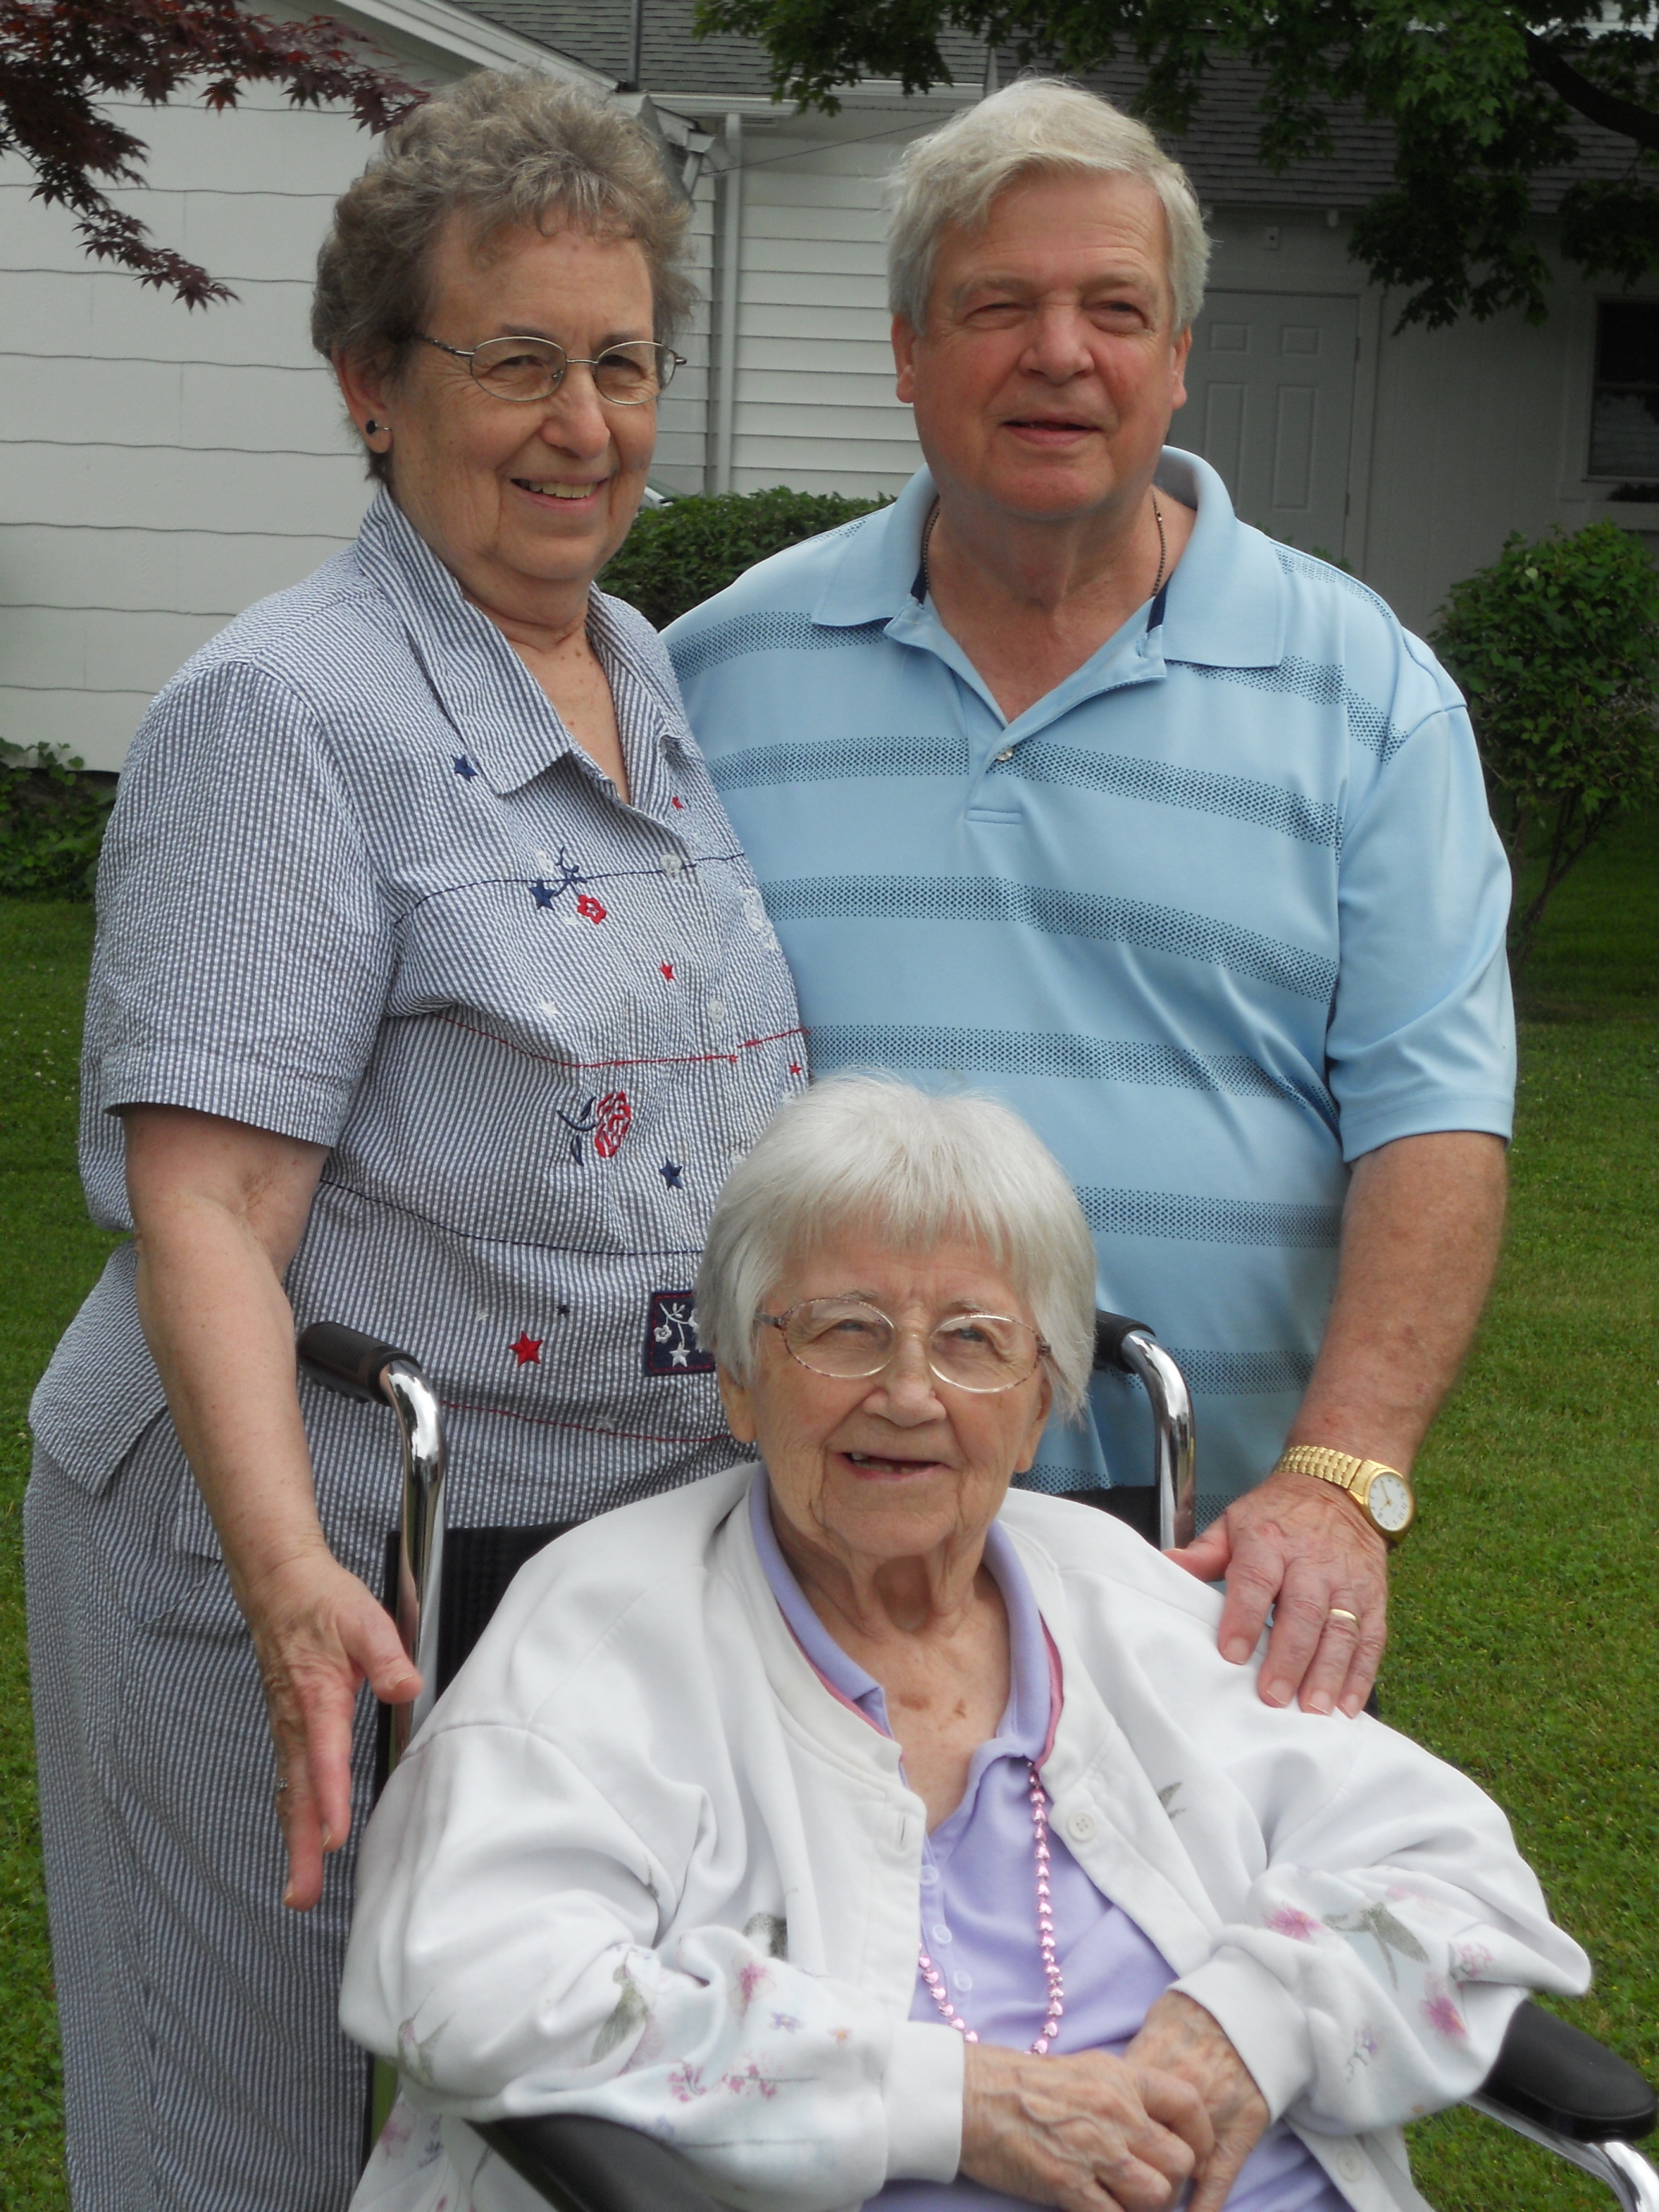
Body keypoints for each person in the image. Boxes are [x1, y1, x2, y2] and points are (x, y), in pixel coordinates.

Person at [25, 71, 804, 2212]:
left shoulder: (635, 662)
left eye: (625, 363)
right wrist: (293, 1587)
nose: (584, 422)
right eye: (518, 361)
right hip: (275, 1558)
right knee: (237, 2144)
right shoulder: (290, 712)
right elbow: (208, 1203)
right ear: (374, 388)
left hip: (586, 1575)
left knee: (555, 2120)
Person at [340, 1078, 1586, 2212]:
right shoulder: (603, 1627)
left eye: (975, 1341)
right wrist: (954, 2106)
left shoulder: (1120, 1602)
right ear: (737, 1378)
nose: (909, 1392)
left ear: (1042, 1402)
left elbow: (1455, 1873)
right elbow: (469, 1978)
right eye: (842, 1330)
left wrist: (1247, 2027)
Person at [665, 80, 1514, 1725]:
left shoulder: (1365, 692)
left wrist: (1341, 1482)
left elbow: (1436, 1118)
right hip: (814, 1539)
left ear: (1178, 354)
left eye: (1115, 310)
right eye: (1000, 307)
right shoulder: (726, 670)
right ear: (910, 349)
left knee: (1193, 1975)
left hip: (1206, 1556)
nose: (1062, 354)